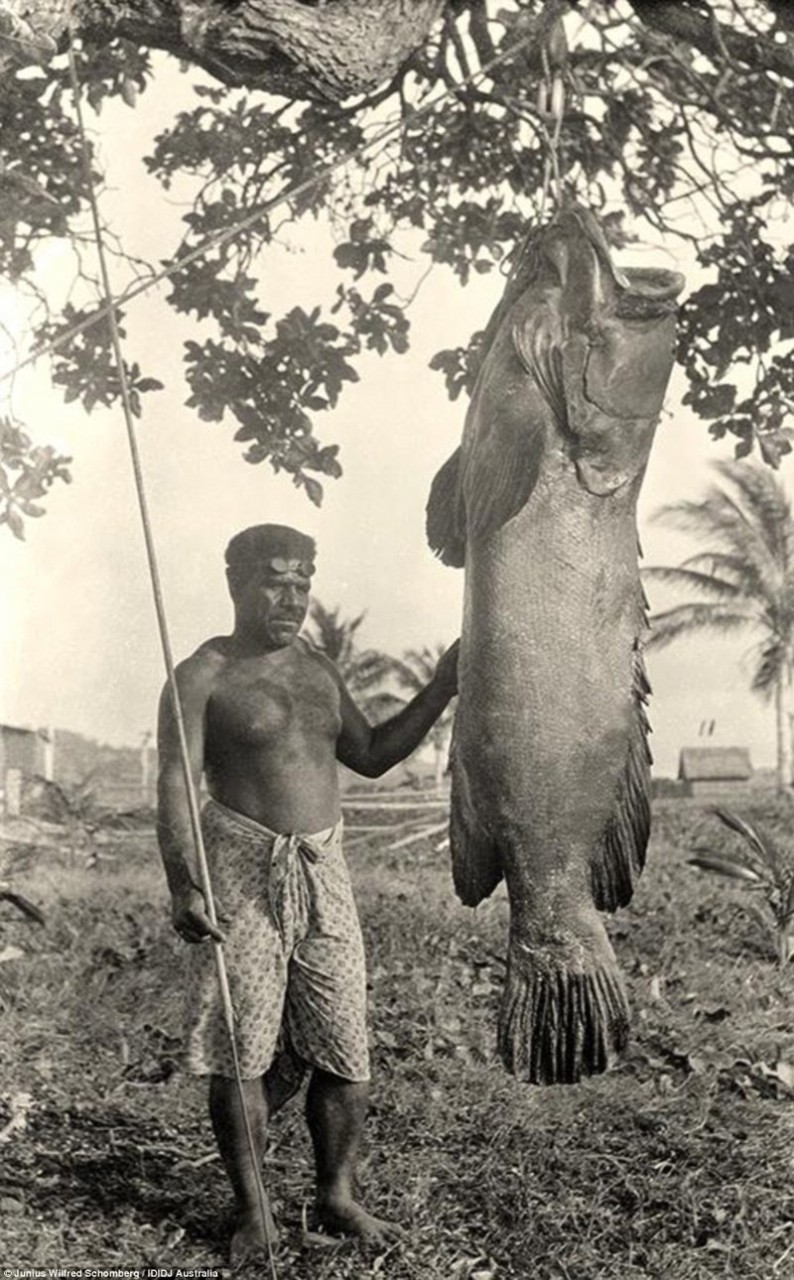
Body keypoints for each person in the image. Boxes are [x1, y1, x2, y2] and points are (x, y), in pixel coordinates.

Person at [156, 523, 459, 1262]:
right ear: (235, 583)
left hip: (325, 872)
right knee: (243, 1053)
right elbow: (173, 783)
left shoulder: (319, 670)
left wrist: (446, 680)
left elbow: (375, 755)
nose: (290, 596)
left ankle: (336, 1194)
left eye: (302, 581)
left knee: (345, 1048)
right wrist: (184, 884)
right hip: (240, 873)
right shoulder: (202, 675)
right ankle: (254, 1210)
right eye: (273, 580)